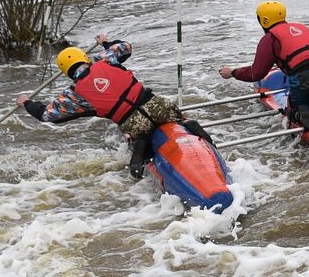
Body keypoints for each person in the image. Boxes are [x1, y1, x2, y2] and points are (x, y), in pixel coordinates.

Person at [18, 36, 209, 179]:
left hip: (134, 123)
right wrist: (105, 43)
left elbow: (46, 115)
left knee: (140, 135)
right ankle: (205, 142)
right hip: (157, 106)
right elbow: (125, 47)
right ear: (84, 58)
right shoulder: (105, 60)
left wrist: (26, 103)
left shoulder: (74, 94)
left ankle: (138, 160)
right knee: (181, 119)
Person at [217, 0, 309, 130]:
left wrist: (233, 72)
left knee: (294, 106)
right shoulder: (301, 28)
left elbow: (256, 74)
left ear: (263, 20)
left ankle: (299, 112)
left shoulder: (270, 38)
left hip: (303, 80)